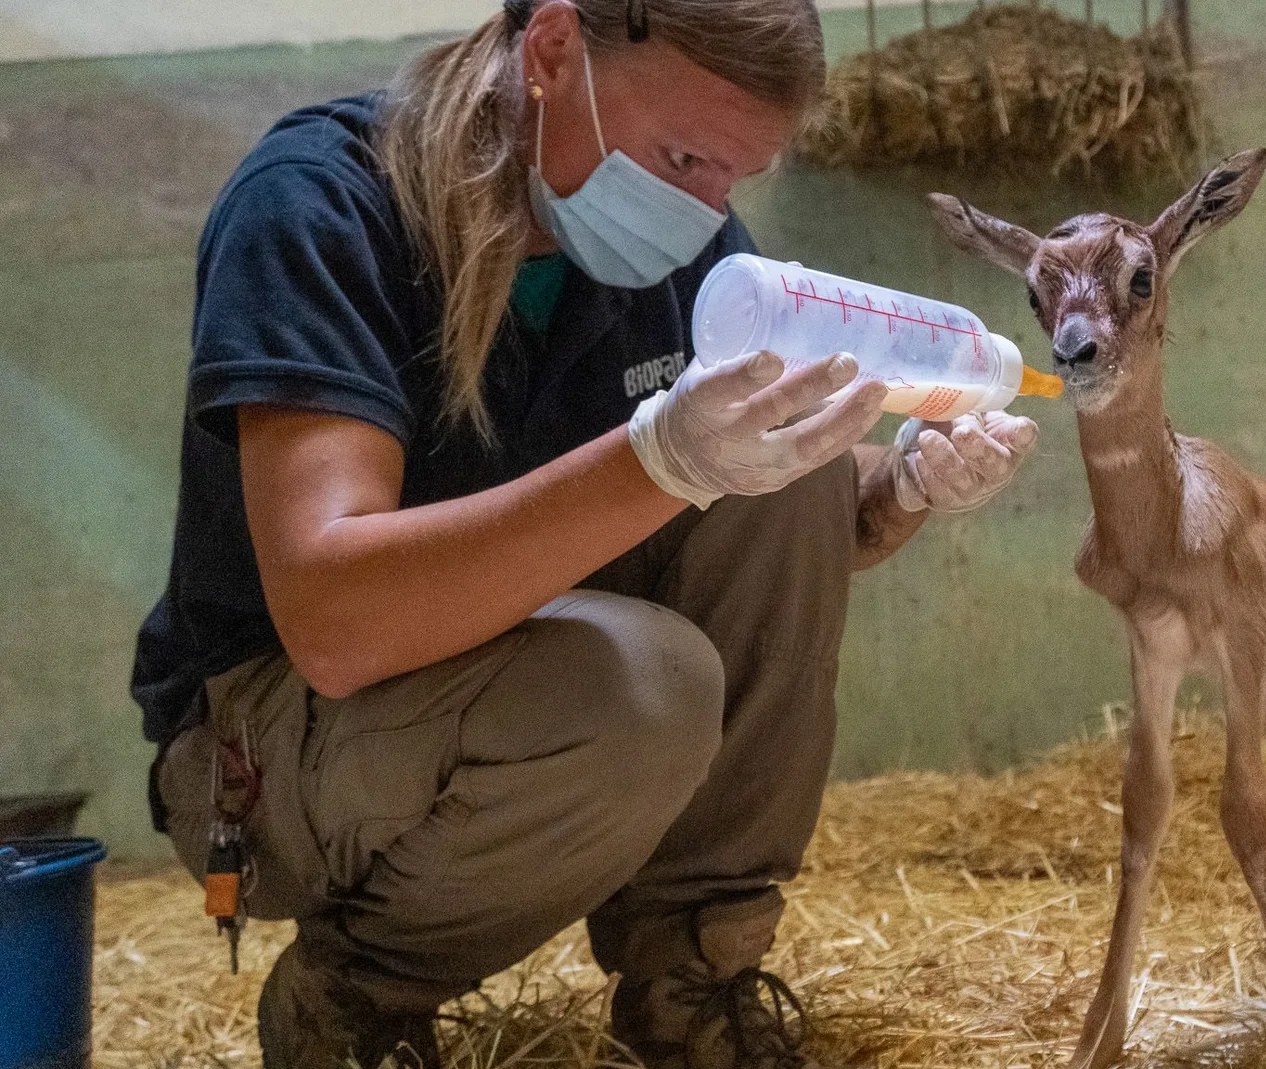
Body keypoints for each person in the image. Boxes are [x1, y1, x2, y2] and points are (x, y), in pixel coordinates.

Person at [129, 1, 1039, 1066]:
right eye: (685, 157)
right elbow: (335, 623)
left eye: (732, 181)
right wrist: (661, 460)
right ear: (555, 50)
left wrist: (906, 486)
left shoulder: (672, 240)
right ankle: (358, 999)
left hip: (505, 680)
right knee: (645, 684)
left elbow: (785, 519)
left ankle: (693, 978)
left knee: (788, 463)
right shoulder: (321, 206)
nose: (704, 213)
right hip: (273, 745)